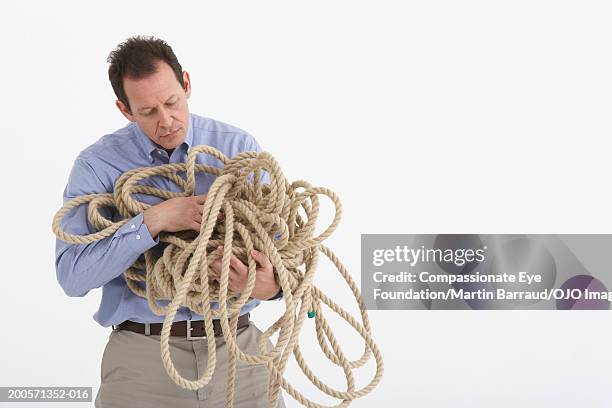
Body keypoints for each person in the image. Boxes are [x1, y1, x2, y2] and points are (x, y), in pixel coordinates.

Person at [54, 35, 285, 408]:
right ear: (125, 110)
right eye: (147, 112)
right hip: (142, 361)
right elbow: (73, 277)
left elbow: (286, 257)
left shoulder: (238, 149)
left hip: (240, 352)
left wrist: (268, 286)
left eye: (172, 102)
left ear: (187, 84)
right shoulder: (97, 166)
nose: (166, 121)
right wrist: (153, 220)